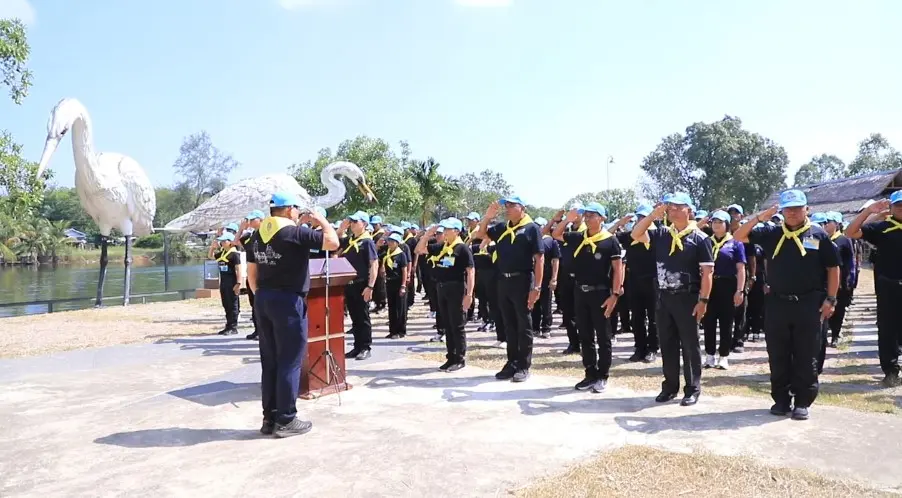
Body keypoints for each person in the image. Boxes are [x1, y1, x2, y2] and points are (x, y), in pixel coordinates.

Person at [734, 189, 839, 421]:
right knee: (778, 353)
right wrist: (760, 217)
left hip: (809, 303)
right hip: (778, 303)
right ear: (782, 211)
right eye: (788, 209)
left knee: (806, 354)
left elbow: (833, 268)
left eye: (797, 208)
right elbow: (739, 235)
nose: (792, 213)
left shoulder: (818, 235)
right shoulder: (772, 233)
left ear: (806, 209)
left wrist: (831, 299)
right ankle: (781, 399)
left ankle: (802, 400)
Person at [245, 191, 339, 437]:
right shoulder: (295, 233)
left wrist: (262, 297)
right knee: (290, 361)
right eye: (296, 208)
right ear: (288, 210)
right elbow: (333, 243)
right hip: (288, 301)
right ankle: (286, 419)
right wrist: (321, 220)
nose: (298, 213)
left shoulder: (257, 235)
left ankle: (270, 418)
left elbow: (252, 273)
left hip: (263, 298)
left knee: (270, 361)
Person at [631, 193, 713, 406]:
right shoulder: (661, 234)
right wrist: (652, 215)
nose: (673, 211)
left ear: (689, 210)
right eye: (671, 208)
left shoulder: (700, 238)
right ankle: (669, 387)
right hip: (664, 297)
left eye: (678, 207)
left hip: (688, 297)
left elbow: (707, 273)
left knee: (690, 345)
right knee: (667, 344)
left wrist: (703, 301)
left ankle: (692, 388)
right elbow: (636, 233)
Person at [552, 203, 623, 393]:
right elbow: (556, 234)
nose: (588, 218)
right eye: (586, 215)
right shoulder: (579, 237)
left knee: (603, 336)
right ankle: (590, 373)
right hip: (580, 292)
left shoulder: (610, 241)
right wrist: (567, 219)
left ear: (602, 218)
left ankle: (603, 375)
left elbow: (618, 270)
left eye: (592, 215)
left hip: (601, 293)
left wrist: (615, 294)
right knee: (585, 335)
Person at [475, 196, 544, 383]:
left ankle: (523, 365)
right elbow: (481, 234)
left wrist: (537, 286)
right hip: (503, 280)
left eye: (512, 205)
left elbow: (539, 258)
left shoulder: (531, 228)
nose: (508, 208)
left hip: (522, 280)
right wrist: (488, 217)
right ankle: (511, 362)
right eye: (506, 205)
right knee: (509, 324)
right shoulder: (502, 228)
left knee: (524, 324)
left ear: (522, 208)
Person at [845, 191, 902, 387]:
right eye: (898, 205)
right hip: (888, 285)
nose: (901, 208)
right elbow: (850, 232)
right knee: (887, 329)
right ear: (891, 208)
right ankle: (891, 371)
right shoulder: (882, 228)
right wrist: (869, 211)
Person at [417, 218, 475, 371]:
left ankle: (459, 358)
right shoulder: (443, 246)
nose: (445, 232)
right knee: (447, 324)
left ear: (456, 231)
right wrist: (427, 235)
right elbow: (420, 250)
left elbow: (470, 272)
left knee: (457, 325)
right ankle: (451, 357)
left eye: (448, 229)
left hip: (456, 288)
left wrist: (469, 294)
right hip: (441, 287)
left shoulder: (462, 248)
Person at [612, 205, 659, 362]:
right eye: (639, 217)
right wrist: (619, 223)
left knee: (653, 318)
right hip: (634, 280)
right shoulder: (629, 236)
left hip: (653, 281)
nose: (640, 220)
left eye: (644, 217)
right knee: (637, 317)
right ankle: (640, 348)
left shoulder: (657, 234)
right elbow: (607, 235)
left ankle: (653, 348)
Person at [702, 210, 746, 370]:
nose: (716, 225)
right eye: (714, 222)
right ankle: (709, 355)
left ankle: (724, 356)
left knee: (726, 322)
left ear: (727, 225)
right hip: (710, 285)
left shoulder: (735, 243)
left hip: (728, 285)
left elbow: (741, 269)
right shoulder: (707, 242)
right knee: (709, 321)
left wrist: (740, 290)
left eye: (720, 222)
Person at [337, 211, 378, 361]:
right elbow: (334, 242)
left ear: (364, 224)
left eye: (355, 222)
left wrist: (370, 286)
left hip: (362, 284)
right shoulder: (350, 240)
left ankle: (365, 347)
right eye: (351, 222)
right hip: (350, 284)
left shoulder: (367, 242)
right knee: (355, 317)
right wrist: (342, 228)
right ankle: (357, 346)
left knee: (363, 317)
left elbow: (374, 264)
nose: (352, 224)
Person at [823, 211, 854, 348]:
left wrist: (849, 279)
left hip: (839, 281)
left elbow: (850, 262)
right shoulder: (820, 238)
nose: (825, 225)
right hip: (822, 280)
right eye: (824, 222)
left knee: (838, 308)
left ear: (836, 224)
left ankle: (835, 335)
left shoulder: (843, 240)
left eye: (828, 222)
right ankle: (823, 336)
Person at [236, 210, 265, 340]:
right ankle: (257, 329)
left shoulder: (266, 234)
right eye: (249, 220)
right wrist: (241, 228)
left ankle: (263, 331)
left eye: (253, 219)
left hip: (262, 271)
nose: (250, 222)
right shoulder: (250, 235)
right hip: (251, 272)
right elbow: (236, 242)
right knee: (254, 303)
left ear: (261, 219)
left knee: (261, 303)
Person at [532, 217, 560, 339]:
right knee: (534, 303)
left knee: (546, 304)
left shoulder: (551, 241)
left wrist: (554, 278)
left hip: (546, 276)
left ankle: (546, 328)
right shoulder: (531, 241)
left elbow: (555, 260)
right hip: (533, 277)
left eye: (539, 226)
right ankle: (535, 327)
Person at [213, 231, 243, 336]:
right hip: (224, 282)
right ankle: (228, 325)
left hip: (232, 282)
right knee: (226, 304)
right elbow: (211, 256)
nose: (221, 243)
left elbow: (238, 269)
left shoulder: (234, 254)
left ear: (230, 242)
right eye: (221, 241)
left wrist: (238, 283)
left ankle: (233, 327)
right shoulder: (222, 253)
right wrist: (212, 248)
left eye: (224, 241)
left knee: (233, 304)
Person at [382, 232, 410, 339]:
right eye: (389, 241)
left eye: (392, 241)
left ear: (397, 243)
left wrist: (403, 285)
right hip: (389, 283)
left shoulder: (401, 255)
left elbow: (404, 271)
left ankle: (401, 331)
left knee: (400, 308)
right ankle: (392, 330)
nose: (389, 243)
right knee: (392, 307)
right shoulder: (387, 254)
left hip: (399, 283)